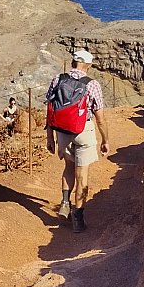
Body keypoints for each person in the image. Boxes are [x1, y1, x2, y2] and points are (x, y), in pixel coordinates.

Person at [45, 49, 110, 233]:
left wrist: (50, 137)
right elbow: (100, 118)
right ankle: (78, 218)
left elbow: (51, 110)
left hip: (62, 132)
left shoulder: (58, 79)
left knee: (68, 167)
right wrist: (105, 139)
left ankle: (65, 203)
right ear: (88, 65)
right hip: (84, 130)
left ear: (73, 62)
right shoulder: (92, 85)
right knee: (82, 176)